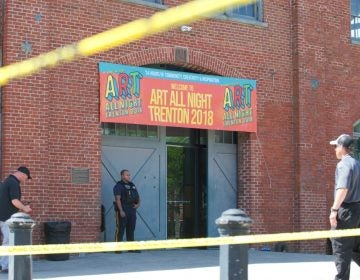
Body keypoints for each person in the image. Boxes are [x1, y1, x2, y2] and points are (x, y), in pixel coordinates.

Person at [329, 134, 360, 280]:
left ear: (342, 147)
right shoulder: (357, 163)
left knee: (341, 247)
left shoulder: (344, 164)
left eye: (336, 146)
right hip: (358, 210)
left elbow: (343, 188)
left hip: (346, 211)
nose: (335, 149)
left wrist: (334, 210)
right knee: (356, 248)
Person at [0, 166, 33, 273]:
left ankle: (3, 264)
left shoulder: (7, 181)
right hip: (6, 218)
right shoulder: (14, 183)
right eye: (26, 178)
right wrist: (24, 208)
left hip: (2, 217)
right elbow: (14, 201)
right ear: (23, 174)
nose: (25, 180)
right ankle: (4, 266)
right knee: (8, 241)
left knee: (6, 241)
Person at [113, 169, 140, 252]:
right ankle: (118, 248)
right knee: (120, 229)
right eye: (127, 175)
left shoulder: (132, 185)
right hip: (123, 209)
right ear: (122, 176)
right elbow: (117, 199)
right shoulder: (118, 186)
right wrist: (121, 210)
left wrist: (138, 204)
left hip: (132, 210)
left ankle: (131, 248)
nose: (129, 176)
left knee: (131, 229)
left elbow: (138, 197)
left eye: (129, 175)